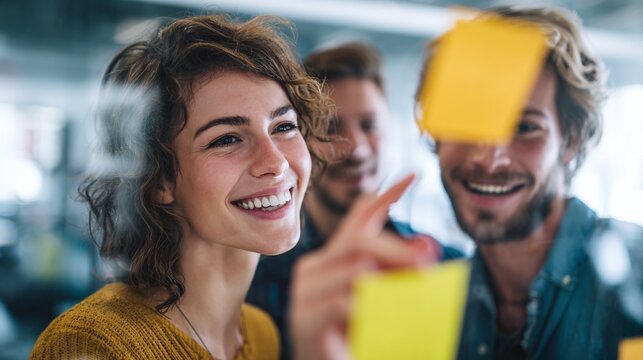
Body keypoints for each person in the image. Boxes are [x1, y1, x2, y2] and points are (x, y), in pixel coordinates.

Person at [289, 6, 643, 360]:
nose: (487, 160)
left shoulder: (635, 273)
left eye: (524, 127)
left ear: (572, 139)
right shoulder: (423, 308)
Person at [29, 14, 333, 359]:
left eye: (283, 127)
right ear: (159, 179)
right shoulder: (93, 344)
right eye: (227, 139)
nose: (276, 162)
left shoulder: (260, 333)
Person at [247, 42, 462, 359]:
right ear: (301, 142)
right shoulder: (254, 285)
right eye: (332, 128)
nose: (357, 149)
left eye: (369, 125)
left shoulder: (444, 265)